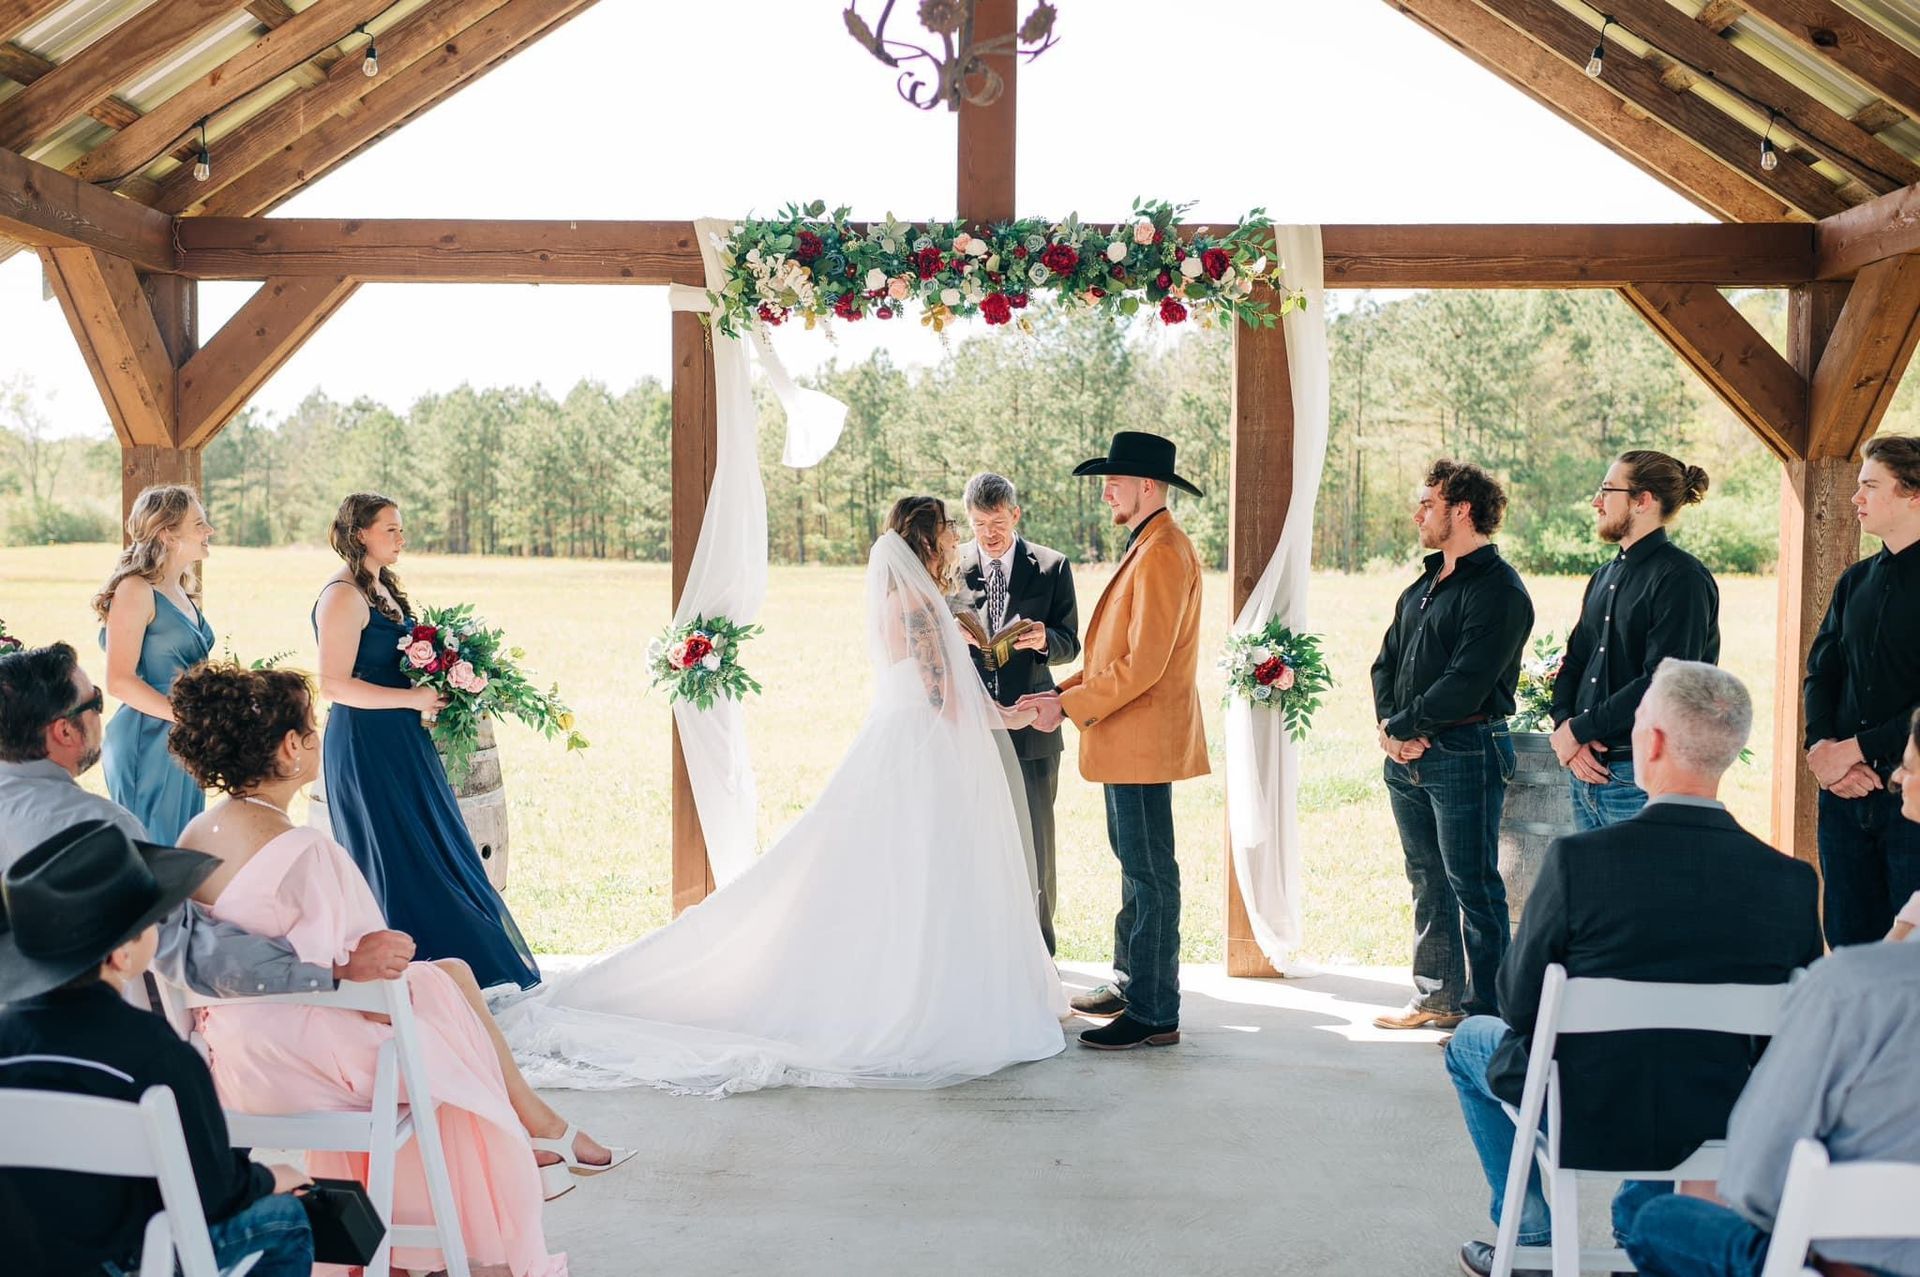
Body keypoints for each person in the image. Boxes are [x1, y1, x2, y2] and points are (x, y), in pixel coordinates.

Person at [499, 496, 1065, 1093]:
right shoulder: (919, 606)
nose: (956, 540)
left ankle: (896, 979)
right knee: (920, 870)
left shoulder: (900, 599)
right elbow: (943, 700)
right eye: (950, 530)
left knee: (889, 872)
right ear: (930, 540)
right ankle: (916, 996)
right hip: (920, 749)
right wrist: (1014, 717)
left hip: (900, 741)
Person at [166, 661, 602, 1272]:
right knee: (440, 1029)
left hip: (230, 1060)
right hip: (301, 1064)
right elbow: (376, 976)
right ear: (291, 748)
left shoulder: (191, 836)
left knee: (447, 983)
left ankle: (527, 1133)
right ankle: (507, 1161)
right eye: (313, 729)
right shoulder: (303, 850)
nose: (318, 740)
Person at [1444, 661, 1823, 1277]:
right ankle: (1636, 1233)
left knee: (1468, 1042)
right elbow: (1800, 1032)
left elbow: (1517, 1005)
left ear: (1653, 742)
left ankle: (1530, 1236)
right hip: (1719, 1115)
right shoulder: (1790, 882)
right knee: (1678, 1064)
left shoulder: (1578, 863)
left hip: (1584, 1109)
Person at [1625, 719, 1920, 1277]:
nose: (1899, 775)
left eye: (1909, 762)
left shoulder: (1856, 987)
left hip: (1854, 1260)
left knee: (1648, 1214)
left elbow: (1755, 1184)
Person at [0, 641, 409, 997]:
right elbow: (184, 950)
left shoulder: (191, 830)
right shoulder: (96, 827)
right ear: (64, 732)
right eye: (95, 704)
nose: (101, 717)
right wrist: (330, 969)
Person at [0, 821, 315, 1277]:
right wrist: (271, 1179)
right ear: (120, 956)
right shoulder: (156, 1054)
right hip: (130, 1261)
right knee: (287, 1220)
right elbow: (212, 1192)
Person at [1021, 431, 1209, 1051]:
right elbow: (1114, 656)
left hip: (1142, 740)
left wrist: (1067, 705)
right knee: (1138, 868)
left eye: (1116, 482)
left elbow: (1144, 665)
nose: (1107, 494)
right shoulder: (1150, 544)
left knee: (1151, 873)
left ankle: (1155, 1012)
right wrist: (1058, 693)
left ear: (1147, 486)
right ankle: (1133, 983)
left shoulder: (1162, 552)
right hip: (1127, 736)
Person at [314, 491, 539, 991]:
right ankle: (410, 972)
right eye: (390, 529)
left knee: (436, 844)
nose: (400, 537)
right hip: (365, 744)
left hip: (404, 737)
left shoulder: (382, 588)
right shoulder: (342, 595)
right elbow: (333, 684)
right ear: (359, 535)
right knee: (398, 852)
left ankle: (466, 966)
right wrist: (412, 698)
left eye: (400, 528)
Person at [1370, 459, 1534, 1030]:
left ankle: (1489, 1014)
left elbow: (1466, 681)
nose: (1418, 512)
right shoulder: (1424, 582)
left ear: (1461, 510)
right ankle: (1436, 997)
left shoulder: (1500, 591)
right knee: (1426, 879)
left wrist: (1407, 726)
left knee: (1474, 885)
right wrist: (1390, 728)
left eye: (1428, 503)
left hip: (1465, 754)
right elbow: (1385, 661)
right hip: (1407, 755)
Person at [1550, 451, 1720, 830]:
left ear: (1643, 500)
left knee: (1645, 890)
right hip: (1585, 771)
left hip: (1640, 778)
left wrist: (1579, 731)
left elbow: (1662, 683)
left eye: (1607, 490)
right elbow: (1575, 661)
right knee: (1593, 891)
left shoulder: (1682, 579)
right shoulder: (1602, 576)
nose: (1597, 501)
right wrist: (1567, 729)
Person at [953, 471, 1080, 955]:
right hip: (971, 726)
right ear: (969, 519)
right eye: (980, 523)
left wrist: (1045, 639)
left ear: (1016, 515)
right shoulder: (952, 567)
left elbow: (1072, 642)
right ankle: (983, 951)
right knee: (973, 840)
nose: (989, 533)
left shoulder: (1051, 566)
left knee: (1036, 843)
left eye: (999, 522)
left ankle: (1040, 955)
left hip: (1032, 728)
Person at [1804, 434, 1920, 948]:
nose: (1857, 498)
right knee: (1848, 947)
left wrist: (1855, 750)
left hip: (1911, 800)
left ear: (1914, 493)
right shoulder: (1854, 581)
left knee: (1909, 956)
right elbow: (1821, 673)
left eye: (1870, 486)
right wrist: (1822, 751)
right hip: (1844, 799)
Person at [94, 484, 217, 845]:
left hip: (182, 736)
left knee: (180, 848)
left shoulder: (180, 589)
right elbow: (119, 680)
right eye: (199, 523)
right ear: (167, 533)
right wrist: (190, 718)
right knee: (152, 851)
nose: (209, 530)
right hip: (147, 738)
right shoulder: (135, 589)